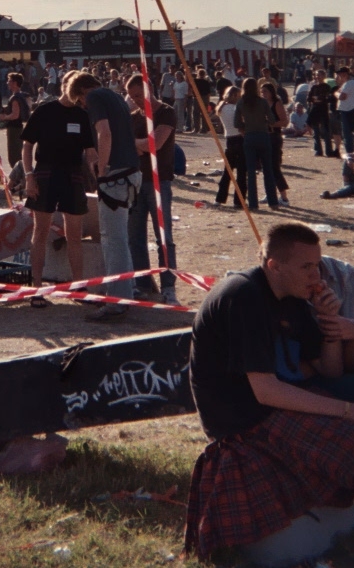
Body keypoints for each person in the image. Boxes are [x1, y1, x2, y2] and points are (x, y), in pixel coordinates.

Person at [185, 222, 354, 561]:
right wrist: (346, 411)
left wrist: (330, 325)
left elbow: (329, 369)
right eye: (306, 266)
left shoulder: (292, 296)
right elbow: (265, 391)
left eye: (317, 265)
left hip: (278, 402)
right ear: (274, 266)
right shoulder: (242, 295)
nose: (316, 275)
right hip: (246, 420)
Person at [21, 71, 97, 305]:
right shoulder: (44, 111)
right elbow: (27, 146)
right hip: (45, 173)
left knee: (74, 234)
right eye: (86, 95)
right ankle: (36, 288)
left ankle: (78, 287)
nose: (87, 100)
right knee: (41, 232)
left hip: (73, 175)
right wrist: (28, 177)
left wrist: (103, 173)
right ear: (75, 90)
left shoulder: (83, 116)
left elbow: (90, 153)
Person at [84, 75, 141, 319]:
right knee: (120, 238)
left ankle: (117, 301)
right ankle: (127, 290)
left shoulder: (94, 97)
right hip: (131, 172)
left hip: (116, 176)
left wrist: (101, 166)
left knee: (112, 240)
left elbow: (104, 133)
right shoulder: (116, 97)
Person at [125, 73, 178, 305]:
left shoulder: (166, 112)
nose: (135, 100)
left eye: (138, 95)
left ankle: (168, 287)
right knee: (134, 237)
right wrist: (141, 146)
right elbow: (133, 147)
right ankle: (143, 284)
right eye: (131, 96)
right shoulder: (133, 117)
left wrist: (139, 145)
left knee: (164, 238)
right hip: (136, 181)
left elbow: (154, 144)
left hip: (159, 182)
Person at [234, 77, 278, 211]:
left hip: (249, 136)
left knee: (251, 173)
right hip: (263, 136)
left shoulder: (241, 102)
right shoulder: (263, 102)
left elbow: (236, 123)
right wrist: (264, 121)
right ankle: (273, 201)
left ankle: (253, 203)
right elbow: (272, 120)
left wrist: (245, 126)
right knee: (268, 170)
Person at [214, 85, 246, 207]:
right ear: (234, 96)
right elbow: (240, 124)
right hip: (239, 138)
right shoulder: (234, 108)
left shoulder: (222, 108)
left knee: (228, 172)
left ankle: (220, 198)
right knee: (241, 172)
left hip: (229, 140)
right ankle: (239, 201)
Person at [261, 79, 290, 206]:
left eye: (265, 91)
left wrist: (271, 123)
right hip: (264, 136)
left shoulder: (276, 103)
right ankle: (270, 193)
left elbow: (285, 121)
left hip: (274, 136)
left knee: (274, 167)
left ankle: (284, 197)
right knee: (266, 167)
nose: (263, 94)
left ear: (271, 92)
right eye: (262, 92)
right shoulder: (262, 104)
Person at [2, 72, 31, 168]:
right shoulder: (22, 95)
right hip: (19, 127)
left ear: (14, 83)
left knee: (14, 155)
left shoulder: (15, 97)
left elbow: (15, 115)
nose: (7, 83)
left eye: (9, 81)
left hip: (14, 128)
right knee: (18, 152)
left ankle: (18, 177)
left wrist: (3, 117)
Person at [308, 67, 335, 157]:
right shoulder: (314, 87)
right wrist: (314, 99)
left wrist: (321, 99)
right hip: (315, 110)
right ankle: (318, 150)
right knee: (316, 132)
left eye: (319, 75)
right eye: (316, 75)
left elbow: (329, 98)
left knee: (326, 131)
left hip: (323, 110)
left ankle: (329, 150)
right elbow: (309, 98)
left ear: (324, 76)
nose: (317, 77)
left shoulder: (327, 87)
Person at [336, 67, 354, 155]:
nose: (339, 76)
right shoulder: (348, 83)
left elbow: (342, 97)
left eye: (340, 74)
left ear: (345, 74)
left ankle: (349, 153)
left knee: (347, 133)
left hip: (346, 110)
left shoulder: (348, 83)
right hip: (350, 108)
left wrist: (336, 93)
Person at [192, 67, 212, 134]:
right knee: (204, 114)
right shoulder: (206, 82)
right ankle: (204, 129)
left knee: (196, 113)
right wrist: (208, 101)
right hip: (205, 98)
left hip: (197, 97)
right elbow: (209, 93)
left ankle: (196, 128)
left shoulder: (195, 81)